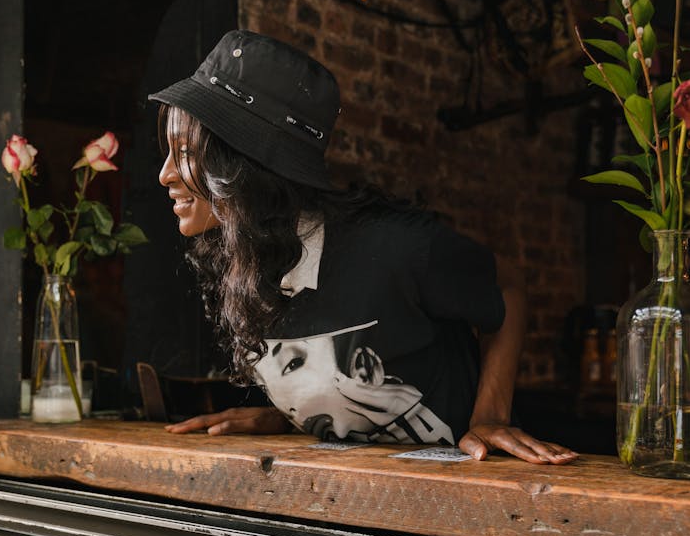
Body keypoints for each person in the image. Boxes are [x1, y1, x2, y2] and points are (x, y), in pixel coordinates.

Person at [149, 30, 577, 465]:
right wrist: (291, 417)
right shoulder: (247, 261)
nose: (165, 174)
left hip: (469, 498)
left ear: (245, 164)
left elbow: (509, 287)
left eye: (185, 152)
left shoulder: (398, 247)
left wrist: (489, 417)